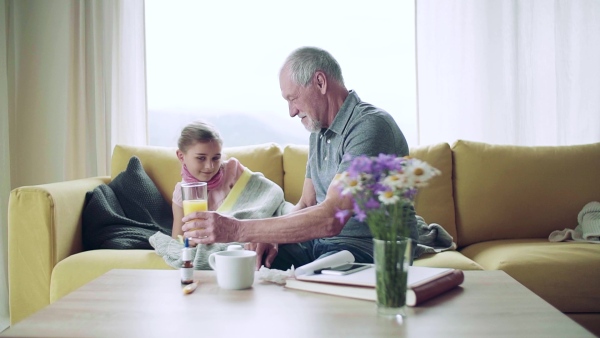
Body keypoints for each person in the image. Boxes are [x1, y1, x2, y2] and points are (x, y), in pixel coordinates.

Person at [182, 46, 418, 270]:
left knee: (306, 279)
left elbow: (331, 218)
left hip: (364, 248)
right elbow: (306, 204)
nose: (291, 111)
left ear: (320, 82)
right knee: (243, 259)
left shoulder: (370, 127)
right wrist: (269, 236)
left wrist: (237, 229)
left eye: (292, 98)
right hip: (320, 244)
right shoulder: (319, 131)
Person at [171, 120, 245, 241]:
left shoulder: (233, 171)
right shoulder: (181, 192)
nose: (209, 166)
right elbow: (176, 238)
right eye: (201, 158)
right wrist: (187, 241)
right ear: (181, 156)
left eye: (216, 158)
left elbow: (260, 198)